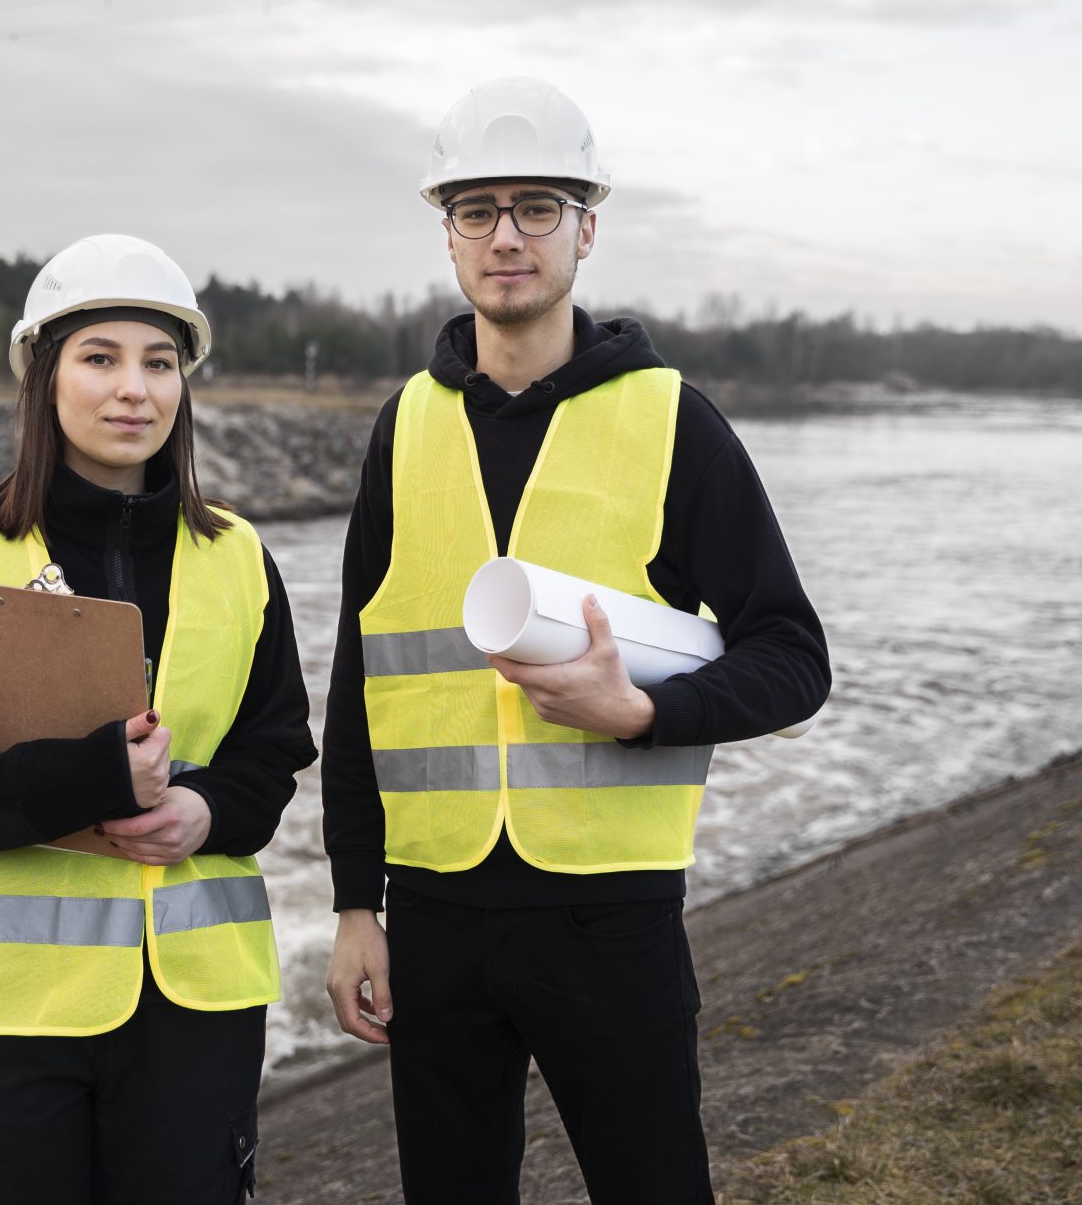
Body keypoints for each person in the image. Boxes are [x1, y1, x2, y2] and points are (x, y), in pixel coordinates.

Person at [321, 78, 832, 1203]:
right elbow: (361, 682)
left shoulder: (670, 420)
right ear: (448, 235)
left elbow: (792, 655)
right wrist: (358, 904)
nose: (506, 235)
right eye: (476, 209)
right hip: (436, 913)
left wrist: (647, 710)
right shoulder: (403, 427)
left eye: (537, 206)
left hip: (610, 913)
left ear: (586, 228)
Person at [0, 234, 316, 1205]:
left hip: (195, 1011)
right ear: (46, 376)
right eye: (101, 358)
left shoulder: (239, 556)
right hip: (0, 1021)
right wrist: (94, 777)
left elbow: (275, 748)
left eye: (160, 363)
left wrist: (206, 812)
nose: (134, 389)